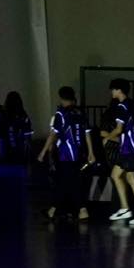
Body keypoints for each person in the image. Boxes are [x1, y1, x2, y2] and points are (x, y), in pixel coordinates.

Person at [37, 85, 93, 221]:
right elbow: (87, 134)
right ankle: (71, 210)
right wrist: (91, 152)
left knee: (65, 182)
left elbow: (53, 135)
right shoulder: (80, 113)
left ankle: (71, 210)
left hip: (65, 154)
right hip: (80, 153)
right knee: (73, 181)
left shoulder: (61, 114)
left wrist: (43, 152)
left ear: (61, 98)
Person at [104, 78, 134, 224]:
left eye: (113, 89)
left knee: (131, 179)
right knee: (115, 175)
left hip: (129, 148)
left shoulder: (121, 107)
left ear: (119, 90)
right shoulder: (132, 104)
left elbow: (119, 129)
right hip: (129, 147)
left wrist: (107, 137)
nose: (112, 92)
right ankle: (125, 208)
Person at [3, 91, 32, 163]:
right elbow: (27, 132)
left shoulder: (3, 114)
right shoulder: (22, 114)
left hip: (6, 147)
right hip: (21, 146)